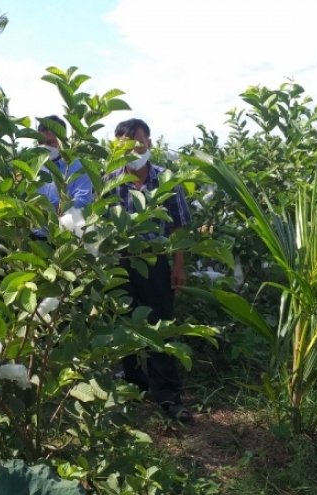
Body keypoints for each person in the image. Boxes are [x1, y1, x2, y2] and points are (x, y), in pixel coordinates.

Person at [104, 118, 193, 422]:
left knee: (160, 326)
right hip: (120, 262)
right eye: (125, 146)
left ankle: (168, 395)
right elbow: (98, 226)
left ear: (149, 144)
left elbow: (178, 226)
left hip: (156, 262)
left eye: (138, 144)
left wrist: (178, 266)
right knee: (123, 324)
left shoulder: (166, 180)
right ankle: (132, 384)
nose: (133, 150)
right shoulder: (110, 181)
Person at [35, 115, 93, 212]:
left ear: (63, 141)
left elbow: (83, 202)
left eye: (49, 143)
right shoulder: (32, 167)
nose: (44, 147)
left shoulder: (79, 168)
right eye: (41, 142)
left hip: (65, 226)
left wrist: (49, 208)